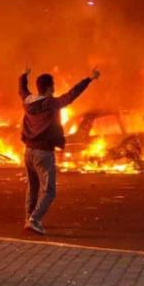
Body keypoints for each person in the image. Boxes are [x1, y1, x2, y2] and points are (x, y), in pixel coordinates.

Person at [19, 66, 100, 235]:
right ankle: (34, 220)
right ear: (49, 88)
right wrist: (89, 79)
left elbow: (22, 89)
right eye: (53, 86)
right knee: (49, 190)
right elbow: (71, 95)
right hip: (43, 153)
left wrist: (24, 76)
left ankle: (29, 217)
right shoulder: (50, 103)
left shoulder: (28, 101)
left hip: (28, 151)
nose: (54, 88)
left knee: (33, 187)